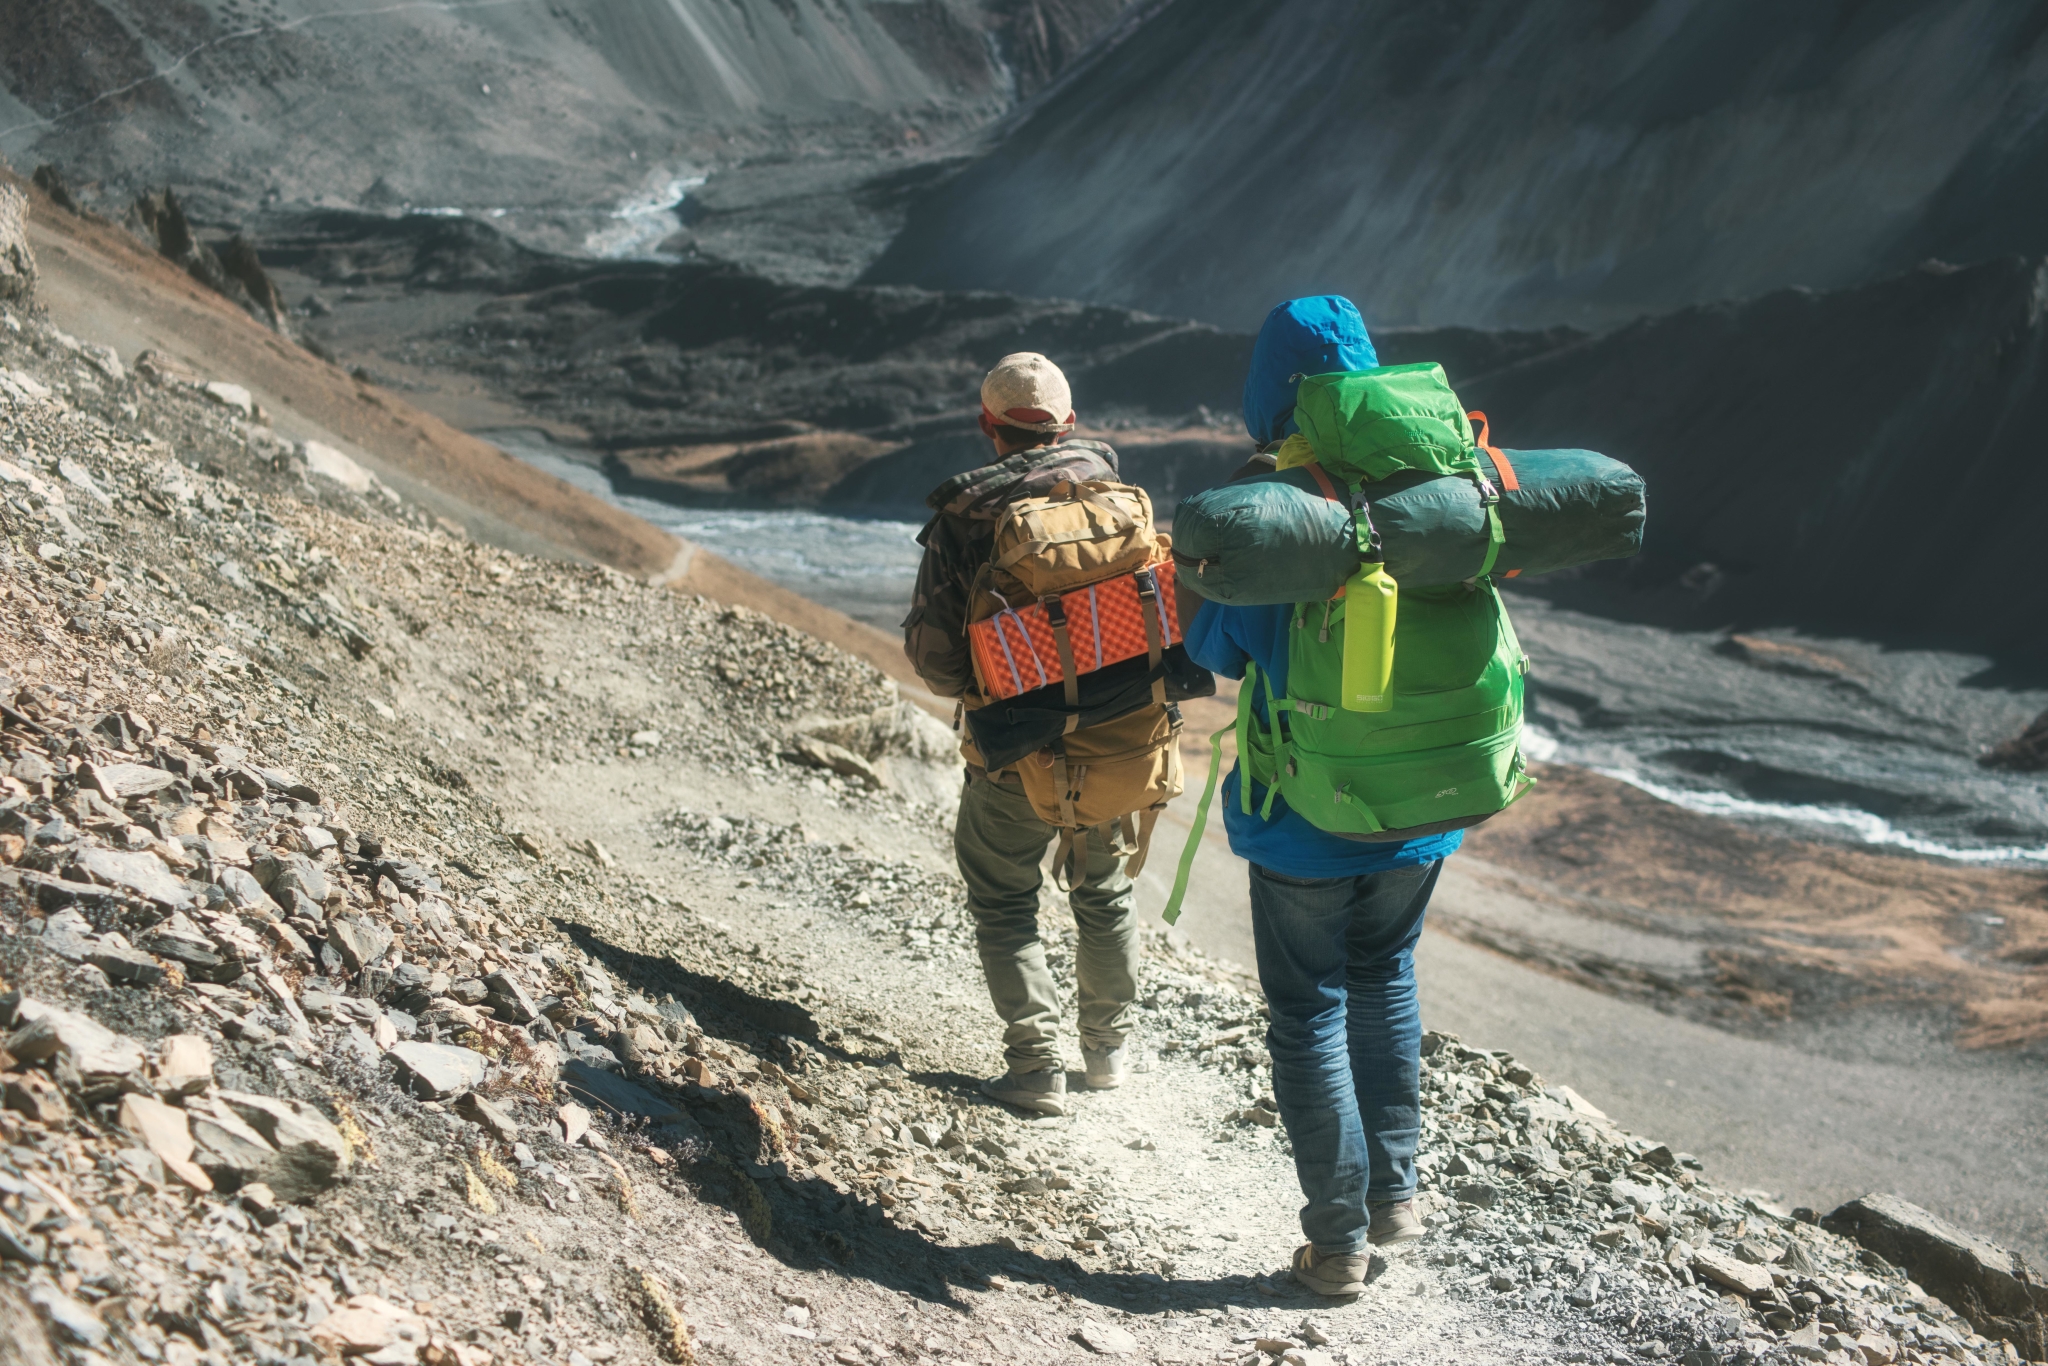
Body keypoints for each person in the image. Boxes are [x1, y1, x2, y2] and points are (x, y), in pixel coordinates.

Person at [1181, 297, 1458, 1294]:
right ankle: (1396, 1195)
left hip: (1305, 818)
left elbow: (1212, 648)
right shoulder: (1433, 483)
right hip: (1424, 804)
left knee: (1308, 1010)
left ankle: (1335, 1240)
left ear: (1270, 391)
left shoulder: (1273, 509)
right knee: (1384, 974)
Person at [903, 352, 1140, 1117]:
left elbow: (937, 664)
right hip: (1119, 742)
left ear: (989, 426)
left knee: (1005, 899)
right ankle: (1106, 1055)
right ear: (1070, 423)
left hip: (1014, 748)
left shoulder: (966, 519)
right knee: (1103, 892)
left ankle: (1034, 1066)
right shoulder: (1117, 500)